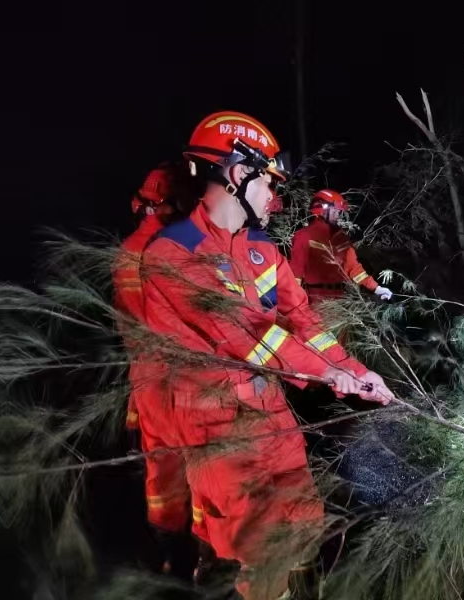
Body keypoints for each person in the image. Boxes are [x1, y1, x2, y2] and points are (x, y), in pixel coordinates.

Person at [139, 111, 394, 599]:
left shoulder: (261, 251)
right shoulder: (173, 255)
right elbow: (250, 334)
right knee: (259, 548)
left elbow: (305, 324)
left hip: (270, 411)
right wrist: (329, 375)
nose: (274, 198)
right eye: (269, 182)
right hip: (217, 424)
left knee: (302, 523)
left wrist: (359, 371)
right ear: (237, 175)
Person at [112, 164, 205, 577]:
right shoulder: (182, 246)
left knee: (162, 469)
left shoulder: (127, 252)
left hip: (149, 380)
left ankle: (173, 557)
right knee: (205, 463)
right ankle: (210, 558)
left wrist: (134, 409)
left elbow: (130, 334)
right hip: (191, 376)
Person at [290, 189, 392, 305]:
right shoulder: (304, 236)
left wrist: (376, 288)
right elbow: (295, 274)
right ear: (322, 208)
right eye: (336, 211)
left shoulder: (341, 238)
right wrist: (294, 302)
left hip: (340, 299)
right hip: (315, 300)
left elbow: (354, 269)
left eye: (339, 212)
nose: (338, 215)